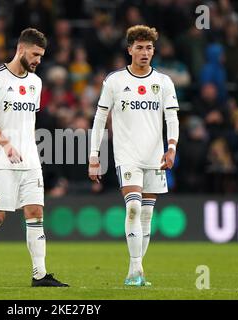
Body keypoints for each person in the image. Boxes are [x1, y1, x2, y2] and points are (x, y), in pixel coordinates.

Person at [0, 28, 68, 287]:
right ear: (21, 49)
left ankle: (40, 274)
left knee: (35, 212)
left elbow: (27, 122)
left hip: (30, 159)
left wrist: (28, 148)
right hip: (1, 159)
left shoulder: (36, 82)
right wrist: (6, 144)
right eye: (35, 54)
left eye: (41, 56)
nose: (38, 60)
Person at [89, 25, 179, 286]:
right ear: (129, 50)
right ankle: (135, 271)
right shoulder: (115, 81)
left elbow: (172, 117)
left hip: (155, 156)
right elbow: (99, 118)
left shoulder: (163, 82)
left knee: (147, 216)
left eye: (149, 47)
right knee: (133, 207)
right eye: (139, 47)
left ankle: (135, 270)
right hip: (127, 155)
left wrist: (171, 147)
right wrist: (94, 155)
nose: (145, 52)